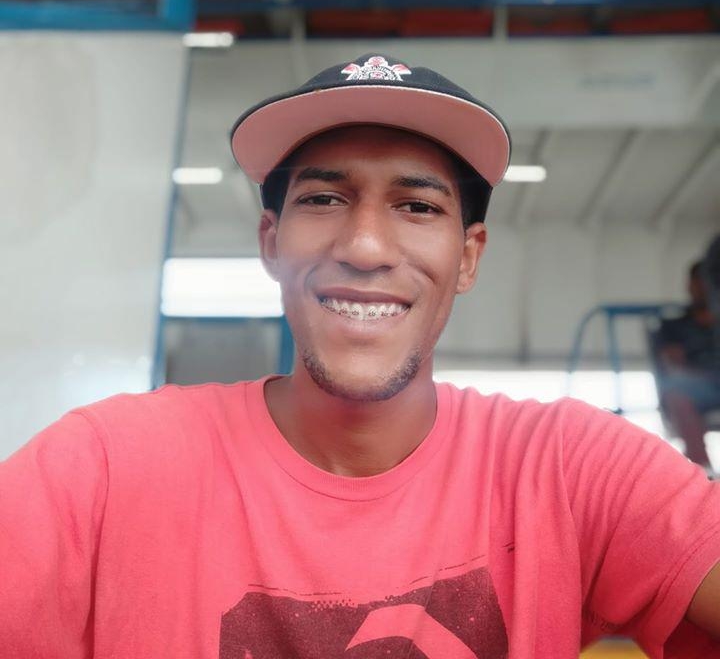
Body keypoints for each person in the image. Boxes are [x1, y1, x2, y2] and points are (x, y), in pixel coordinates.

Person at [1, 53, 720, 658]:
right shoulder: (104, 469)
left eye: (418, 206)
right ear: (270, 242)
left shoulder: (564, 468)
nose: (366, 247)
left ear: (468, 257)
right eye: (323, 200)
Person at [657, 261, 720, 472]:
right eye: (698, 282)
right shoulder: (673, 326)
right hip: (696, 387)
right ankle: (702, 471)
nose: (702, 288)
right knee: (677, 390)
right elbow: (673, 364)